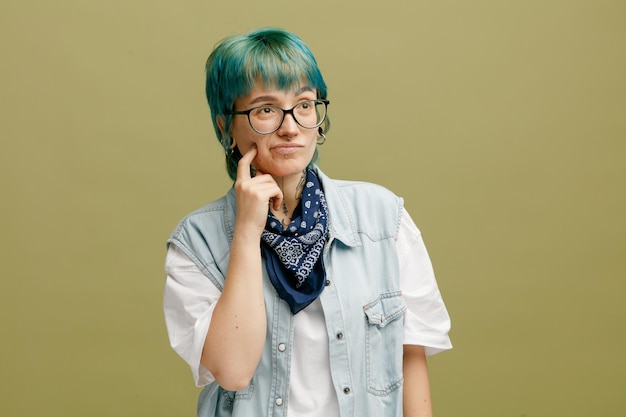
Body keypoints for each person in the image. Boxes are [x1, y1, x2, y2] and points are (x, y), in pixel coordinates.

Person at [163, 28, 452, 417]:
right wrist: (247, 232)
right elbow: (232, 371)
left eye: (303, 104)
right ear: (224, 127)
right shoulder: (196, 242)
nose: (290, 126)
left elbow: (410, 356)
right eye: (265, 109)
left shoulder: (383, 217)